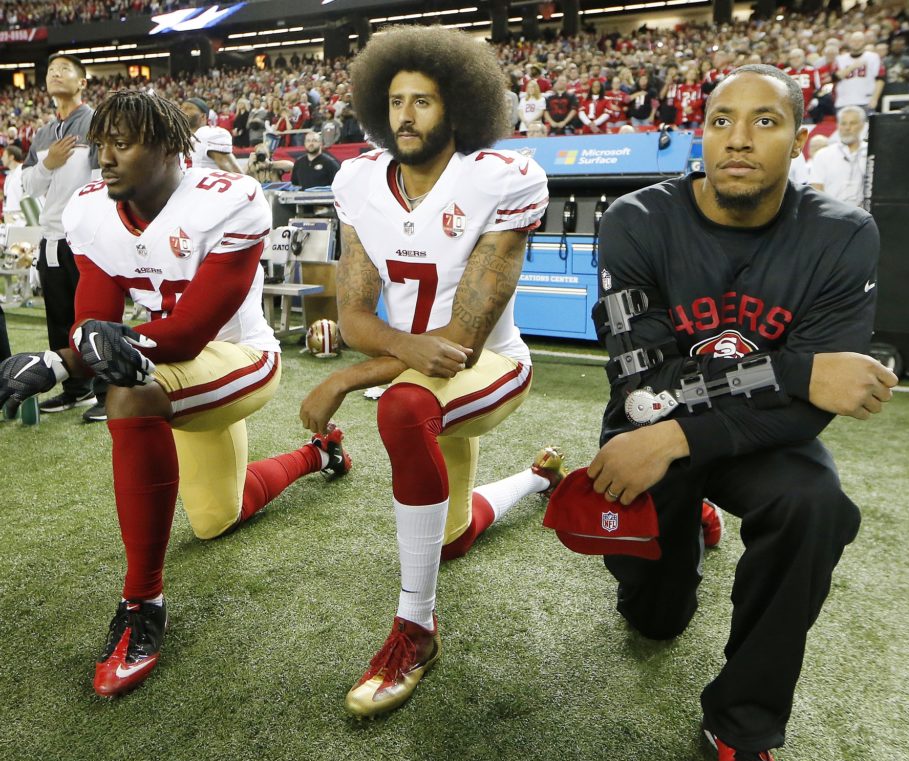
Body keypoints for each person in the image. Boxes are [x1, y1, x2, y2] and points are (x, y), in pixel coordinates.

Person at [576, 65, 897, 761]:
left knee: (815, 503)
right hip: (656, 432)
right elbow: (644, 390)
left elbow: (803, 416)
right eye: (721, 121)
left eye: (764, 121)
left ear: (798, 137)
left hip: (730, 439)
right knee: (655, 622)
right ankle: (689, 527)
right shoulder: (635, 220)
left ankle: (744, 726)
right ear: (702, 132)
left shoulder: (843, 234)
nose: (739, 140)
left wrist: (686, 431)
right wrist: (794, 370)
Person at [0, 90, 352, 698]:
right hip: (171, 365)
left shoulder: (229, 200)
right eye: (101, 144)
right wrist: (84, 344)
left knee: (130, 395)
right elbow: (95, 317)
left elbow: (190, 334)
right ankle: (320, 453)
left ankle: (143, 604)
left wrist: (61, 362)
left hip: (240, 358)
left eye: (123, 144)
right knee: (220, 516)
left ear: (169, 148)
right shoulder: (93, 210)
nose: (105, 159)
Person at [300, 25, 562, 718]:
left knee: (400, 408)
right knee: (446, 539)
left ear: (460, 107)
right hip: (420, 366)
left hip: (491, 364)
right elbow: (353, 316)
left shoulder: (499, 180)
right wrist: (397, 350)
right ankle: (537, 477)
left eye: (423, 100)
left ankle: (415, 628)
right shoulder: (358, 180)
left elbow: (461, 344)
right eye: (395, 101)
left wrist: (343, 378)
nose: (405, 116)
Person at [21, 54, 104, 421]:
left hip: (87, 236)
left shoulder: (96, 123)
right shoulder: (41, 134)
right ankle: (75, 389)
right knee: (59, 318)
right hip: (51, 236)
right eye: (50, 69)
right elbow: (25, 185)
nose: (55, 73)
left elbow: (105, 178)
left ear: (82, 81)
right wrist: (48, 163)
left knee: (94, 316)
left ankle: (106, 391)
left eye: (64, 69)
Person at [810, 106, 868, 207]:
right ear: (838, 125)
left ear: (862, 125)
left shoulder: (871, 153)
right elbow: (816, 191)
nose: (847, 128)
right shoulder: (823, 155)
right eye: (843, 123)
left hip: (866, 215)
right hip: (831, 216)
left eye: (852, 123)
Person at [181, 97, 242, 174]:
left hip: (206, 184)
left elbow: (233, 171)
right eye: (181, 107)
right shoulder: (179, 138)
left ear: (203, 116)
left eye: (189, 108)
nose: (182, 111)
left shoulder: (209, 134)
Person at [833, 32, 885, 112]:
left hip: (866, 102)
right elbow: (834, 77)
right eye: (854, 41)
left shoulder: (873, 57)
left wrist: (875, 98)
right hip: (844, 102)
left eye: (859, 40)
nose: (856, 43)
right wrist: (852, 67)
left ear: (864, 42)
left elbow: (880, 79)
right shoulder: (840, 59)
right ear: (849, 42)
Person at [2, 144, 27, 224]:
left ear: (11, 157)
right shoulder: (9, 175)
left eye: (4, 156)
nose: (2, 158)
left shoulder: (23, 172)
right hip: (8, 214)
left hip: (20, 216)